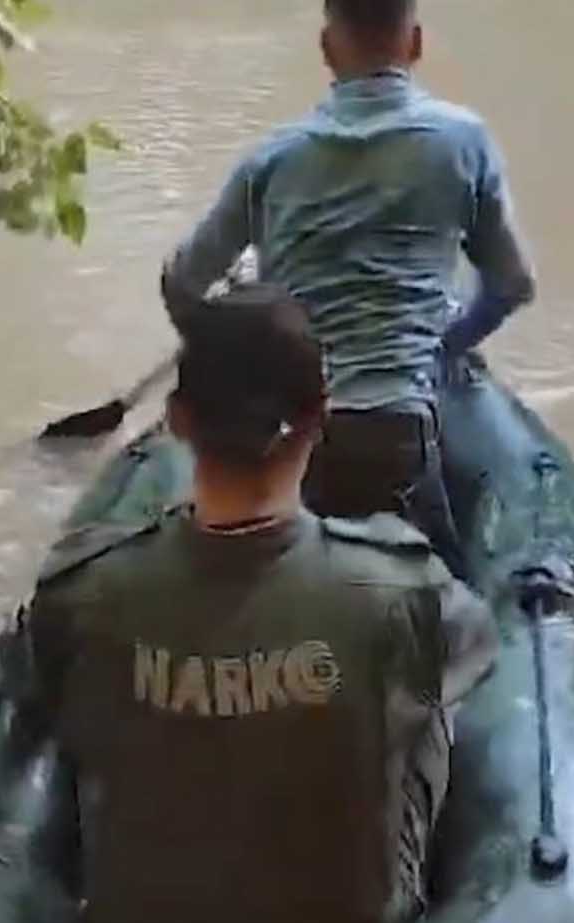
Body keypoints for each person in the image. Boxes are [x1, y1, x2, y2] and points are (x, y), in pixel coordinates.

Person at [10, 285, 499, 923]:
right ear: (321, 416)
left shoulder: (82, 586)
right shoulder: (404, 586)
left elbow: (37, 697)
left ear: (178, 422)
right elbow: (479, 651)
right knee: (428, 691)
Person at [161, 0, 537, 579]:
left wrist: (235, 355)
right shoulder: (465, 141)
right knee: (449, 612)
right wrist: (441, 344)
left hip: (289, 437)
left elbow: (182, 282)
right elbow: (512, 284)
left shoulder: (271, 158)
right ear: (415, 43)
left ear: (327, 48)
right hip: (400, 428)